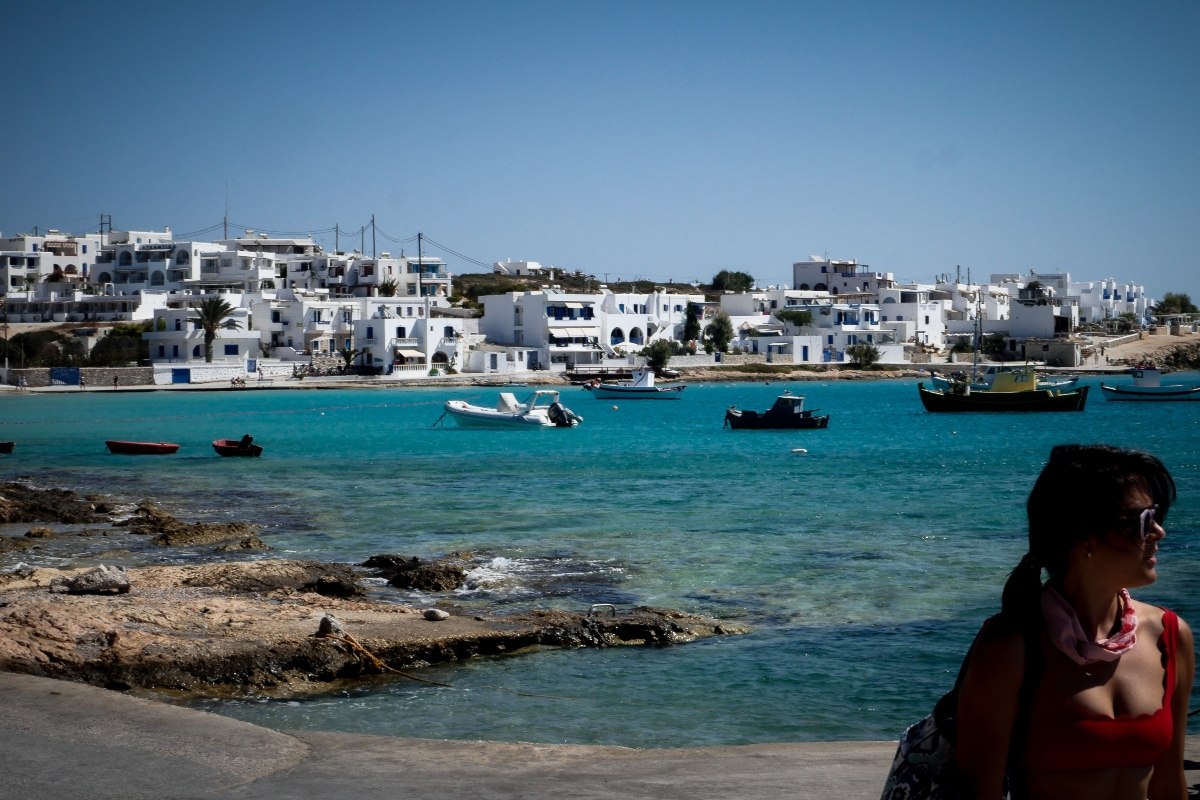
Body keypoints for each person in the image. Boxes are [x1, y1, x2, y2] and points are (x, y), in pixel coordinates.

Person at [956, 444, 1193, 799]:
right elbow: (977, 791)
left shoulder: (1170, 635)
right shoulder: (1012, 647)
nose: (1159, 532)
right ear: (1084, 536)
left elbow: (1170, 785)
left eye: (1156, 516)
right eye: (1143, 520)